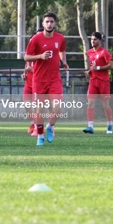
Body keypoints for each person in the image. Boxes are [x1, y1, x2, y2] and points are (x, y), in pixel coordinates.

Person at [25, 12, 69, 146]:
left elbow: (62, 50)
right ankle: (40, 137)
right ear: (43, 24)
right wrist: (40, 56)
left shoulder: (60, 38)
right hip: (39, 80)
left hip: (55, 79)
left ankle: (50, 126)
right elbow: (26, 57)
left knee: (58, 107)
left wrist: (64, 62)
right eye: (47, 22)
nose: (49, 24)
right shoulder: (36, 39)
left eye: (52, 21)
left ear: (55, 23)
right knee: (39, 110)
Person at [83, 32, 113, 134]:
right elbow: (93, 65)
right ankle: (90, 126)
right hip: (93, 81)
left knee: (105, 105)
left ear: (100, 41)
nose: (93, 41)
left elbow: (112, 66)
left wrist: (98, 68)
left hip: (103, 82)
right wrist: (90, 71)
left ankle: (109, 124)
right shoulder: (89, 52)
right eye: (92, 39)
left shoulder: (104, 52)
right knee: (90, 104)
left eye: (95, 39)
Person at [24, 28, 44, 136]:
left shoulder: (44, 52)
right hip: (28, 82)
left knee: (38, 106)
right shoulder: (31, 50)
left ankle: (39, 127)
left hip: (38, 82)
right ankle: (32, 124)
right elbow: (27, 62)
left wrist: (34, 70)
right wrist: (25, 73)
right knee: (27, 105)